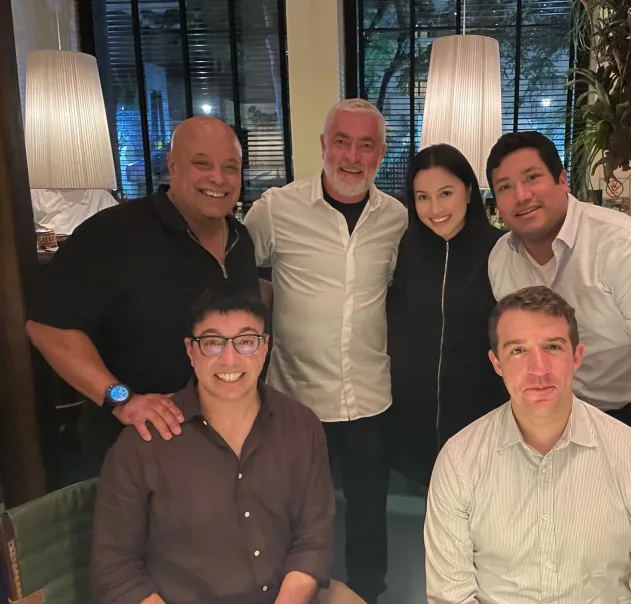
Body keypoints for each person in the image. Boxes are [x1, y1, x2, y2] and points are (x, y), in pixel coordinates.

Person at [424, 286, 631, 604]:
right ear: (497, 363)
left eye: (552, 347)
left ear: (576, 356)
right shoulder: (458, 461)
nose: (539, 369)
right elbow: (451, 596)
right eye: (518, 350)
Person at [26, 116, 259, 477]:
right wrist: (121, 400)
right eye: (202, 163)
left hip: (223, 444)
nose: (218, 178)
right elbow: (47, 327)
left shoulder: (241, 240)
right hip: (138, 448)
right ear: (173, 165)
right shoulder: (114, 233)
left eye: (230, 167)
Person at [244, 98, 407, 603]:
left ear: (381, 153)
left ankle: (367, 594)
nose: (352, 156)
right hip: (295, 398)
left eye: (366, 145)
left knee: (368, 514)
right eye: (342, 141)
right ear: (323, 145)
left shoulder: (397, 218)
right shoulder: (277, 209)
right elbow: (238, 275)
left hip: (369, 396)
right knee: (289, 513)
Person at [486, 131, 631, 509]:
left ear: (562, 179)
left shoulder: (627, 247)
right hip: (549, 416)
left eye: (532, 177)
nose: (521, 195)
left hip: (626, 416)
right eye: (505, 187)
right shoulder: (502, 259)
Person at [92, 282, 335, 604]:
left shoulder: (301, 426)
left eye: (246, 342)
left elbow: (313, 541)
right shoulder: (143, 442)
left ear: (265, 347)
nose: (230, 360)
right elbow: (115, 571)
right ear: (190, 351)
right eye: (212, 343)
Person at [387, 143, 507, 488]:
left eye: (446, 193)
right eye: (422, 197)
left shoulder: (501, 250)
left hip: (481, 415)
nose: (435, 209)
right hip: (415, 416)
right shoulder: (406, 248)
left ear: (468, 192)